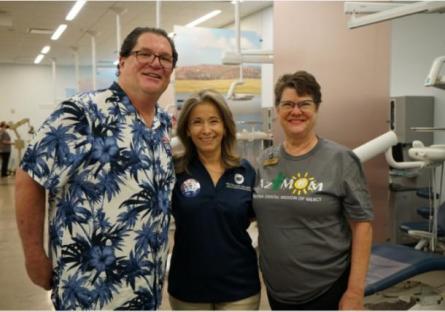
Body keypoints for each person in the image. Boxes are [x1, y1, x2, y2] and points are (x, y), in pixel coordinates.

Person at [15, 27, 177, 310]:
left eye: (165, 58)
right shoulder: (83, 113)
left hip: (145, 290)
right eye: (145, 54)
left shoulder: (163, 124)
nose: (156, 63)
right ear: (122, 61)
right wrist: (34, 255)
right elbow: (30, 176)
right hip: (90, 293)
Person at [253, 71, 373, 310]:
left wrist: (355, 291)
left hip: (327, 288)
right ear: (277, 110)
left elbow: (363, 225)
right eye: (287, 104)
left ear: (316, 108)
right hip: (277, 291)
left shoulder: (341, 160)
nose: (296, 111)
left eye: (304, 104)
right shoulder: (266, 160)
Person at [168, 89, 261, 310]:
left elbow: (261, 218)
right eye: (197, 122)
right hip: (187, 289)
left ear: (225, 126)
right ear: (187, 130)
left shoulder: (245, 171)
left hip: (239, 289)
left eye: (214, 121)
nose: (206, 130)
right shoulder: (174, 171)